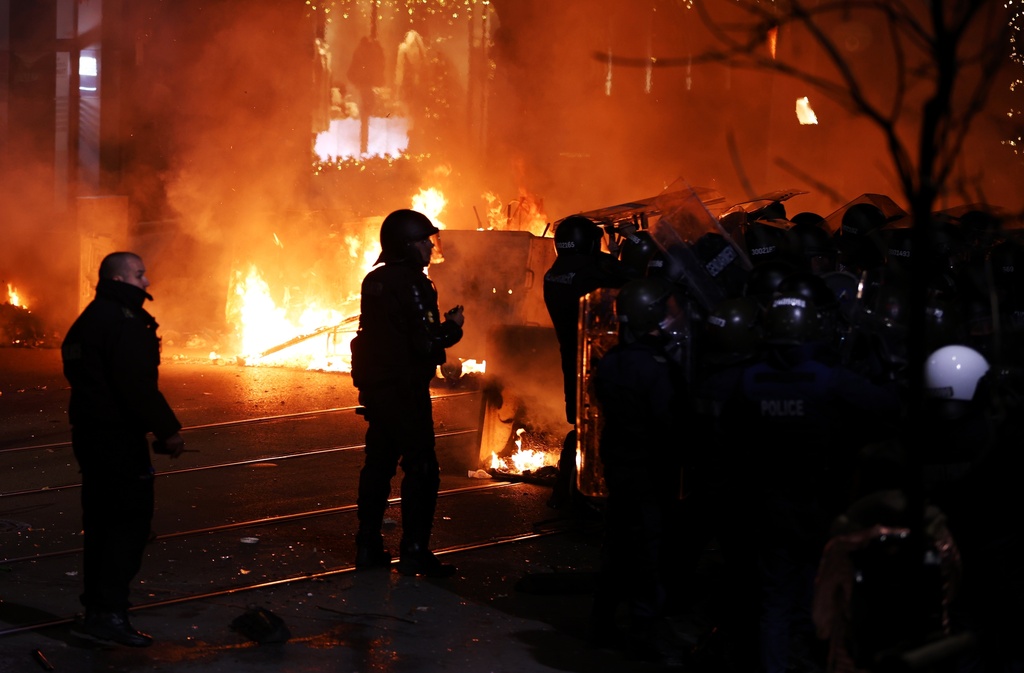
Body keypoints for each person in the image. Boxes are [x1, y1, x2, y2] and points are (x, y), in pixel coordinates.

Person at [61, 251, 185, 647]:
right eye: (139, 275)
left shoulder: (89, 319)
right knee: (127, 525)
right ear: (118, 279)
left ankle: (98, 611)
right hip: (118, 440)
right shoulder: (122, 320)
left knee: (100, 525)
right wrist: (168, 430)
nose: (146, 282)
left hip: (91, 435)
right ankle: (108, 614)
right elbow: (136, 384)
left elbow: (78, 368)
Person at [349, 209, 464, 578]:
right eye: (423, 240)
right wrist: (453, 327)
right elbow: (426, 341)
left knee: (378, 465)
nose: (430, 246)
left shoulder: (374, 280)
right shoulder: (416, 284)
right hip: (406, 390)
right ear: (407, 245)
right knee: (422, 469)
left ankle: (367, 545)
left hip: (377, 388)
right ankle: (414, 551)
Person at [590, 277, 689, 667]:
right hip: (651, 469)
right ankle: (645, 630)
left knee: (617, 545)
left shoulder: (613, 361)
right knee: (649, 550)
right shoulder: (656, 366)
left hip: (620, 465)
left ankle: (602, 622)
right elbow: (670, 420)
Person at [542, 214, 630, 509]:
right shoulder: (593, 273)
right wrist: (629, 246)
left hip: (572, 358)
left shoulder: (553, 274)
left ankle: (564, 493)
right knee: (603, 424)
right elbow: (630, 282)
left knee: (581, 423)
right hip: (600, 358)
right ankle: (591, 495)